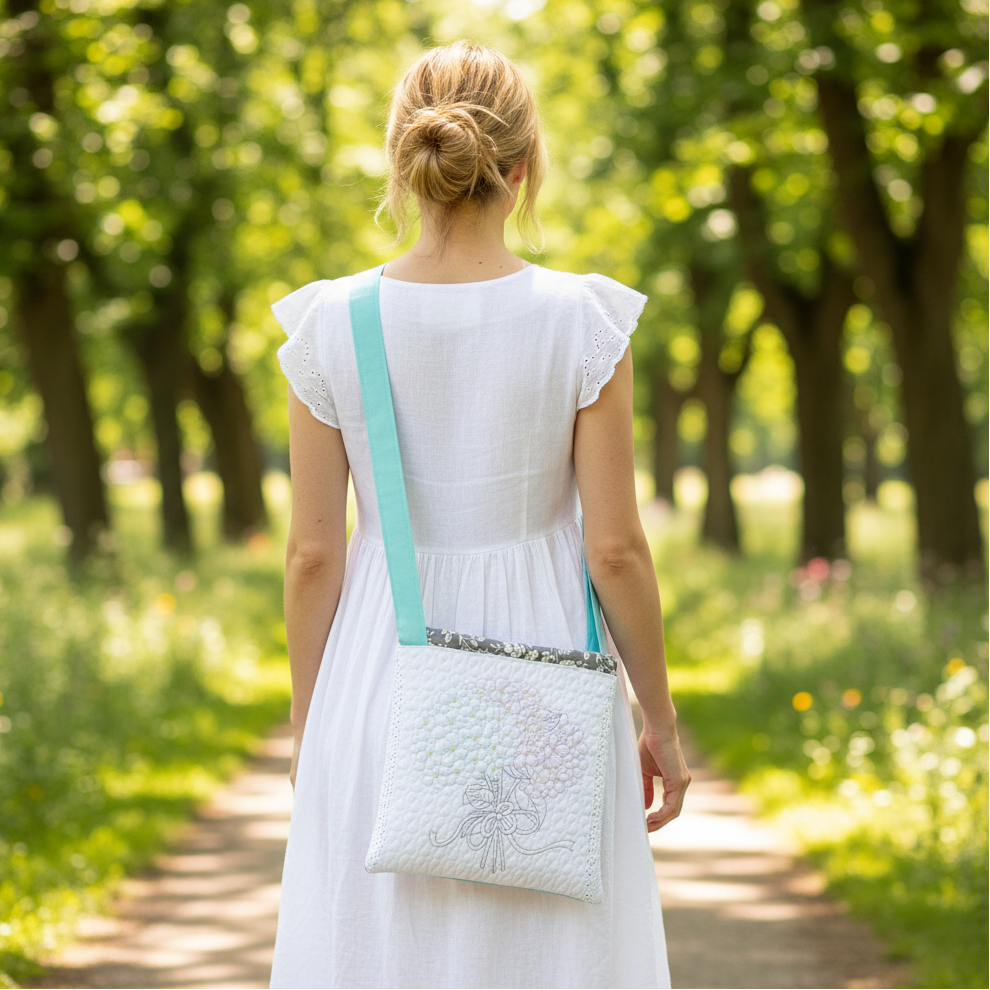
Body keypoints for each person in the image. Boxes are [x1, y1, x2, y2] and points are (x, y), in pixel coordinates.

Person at [269, 40, 689, 990]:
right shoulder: (582, 321)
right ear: (526, 167)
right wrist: (658, 715)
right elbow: (616, 548)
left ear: (401, 163)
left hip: (382, 673)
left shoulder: (331, 324)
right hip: (551, 684)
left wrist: (314, 722)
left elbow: (310, 556)